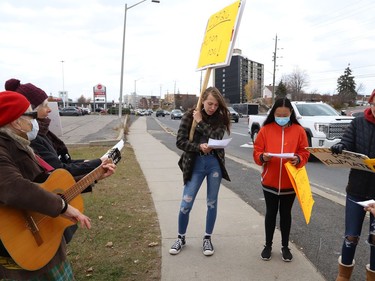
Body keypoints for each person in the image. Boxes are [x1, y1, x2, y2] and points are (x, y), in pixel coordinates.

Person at [0, 90, 115, 280]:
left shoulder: (19, 143)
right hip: (24, 244)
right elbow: (12, 187)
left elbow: (50, 184)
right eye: (30, 114)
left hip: (45, 239)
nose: (34, 119)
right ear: (15, 121)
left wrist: (94, 177)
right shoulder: (3, 147)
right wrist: (62, 207)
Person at [169, 86, 231, 256]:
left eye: (216, 105)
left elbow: (216, 137)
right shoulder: (190, 116)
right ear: (202, 100)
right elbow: (180, 142)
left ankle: (207, 239)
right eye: (210, 104)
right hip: (195, 164)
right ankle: (181, 237)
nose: (212, 108)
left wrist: (201, 122)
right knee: (186, 204)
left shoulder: (220, 118)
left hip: (214, 165)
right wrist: (198, 147)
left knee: (212, 202)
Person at [253, 97, 310, 262]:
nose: (281, 117)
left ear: (291, 113)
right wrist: (262, 157)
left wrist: (298, 159)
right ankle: (268, 245)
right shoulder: (265, 130)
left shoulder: (299, 131)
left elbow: (305, 152)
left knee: (286, 214)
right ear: (273, 113)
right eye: (278, 114)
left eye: (285, 115)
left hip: (290, 181)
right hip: (269, 181)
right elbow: (256, 153)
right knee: (270, 213)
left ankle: (285, 246)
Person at [331, 90, 375, 281]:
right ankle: (343, 276)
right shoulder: (357, 122)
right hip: (356, 189)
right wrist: (341, 146)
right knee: (351, 237)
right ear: (371, 103)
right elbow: (348, 141)